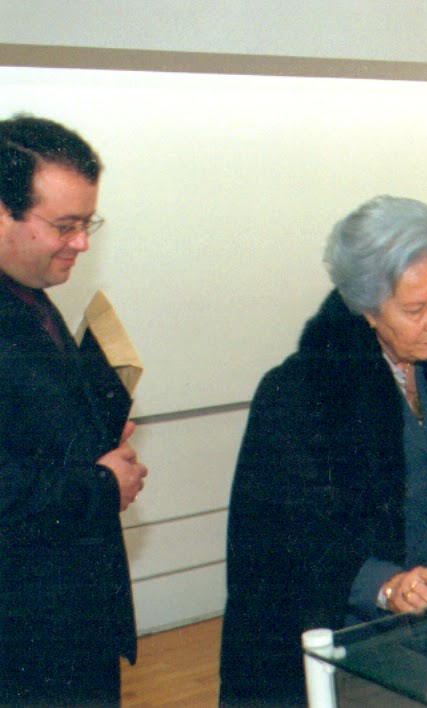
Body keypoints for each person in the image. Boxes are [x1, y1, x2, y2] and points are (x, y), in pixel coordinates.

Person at [219, 196, 427, 705]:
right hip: (346, 626)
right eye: (415, 309)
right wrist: (385, 585)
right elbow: (288, 534)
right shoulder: (302, 392)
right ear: (367, 310)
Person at [0, 115, 148, 704]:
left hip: (67, 628)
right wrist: (101, 486)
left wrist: (95, 431)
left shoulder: (28, 289)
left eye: (88, 223)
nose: (82, 243)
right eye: (65, 226)